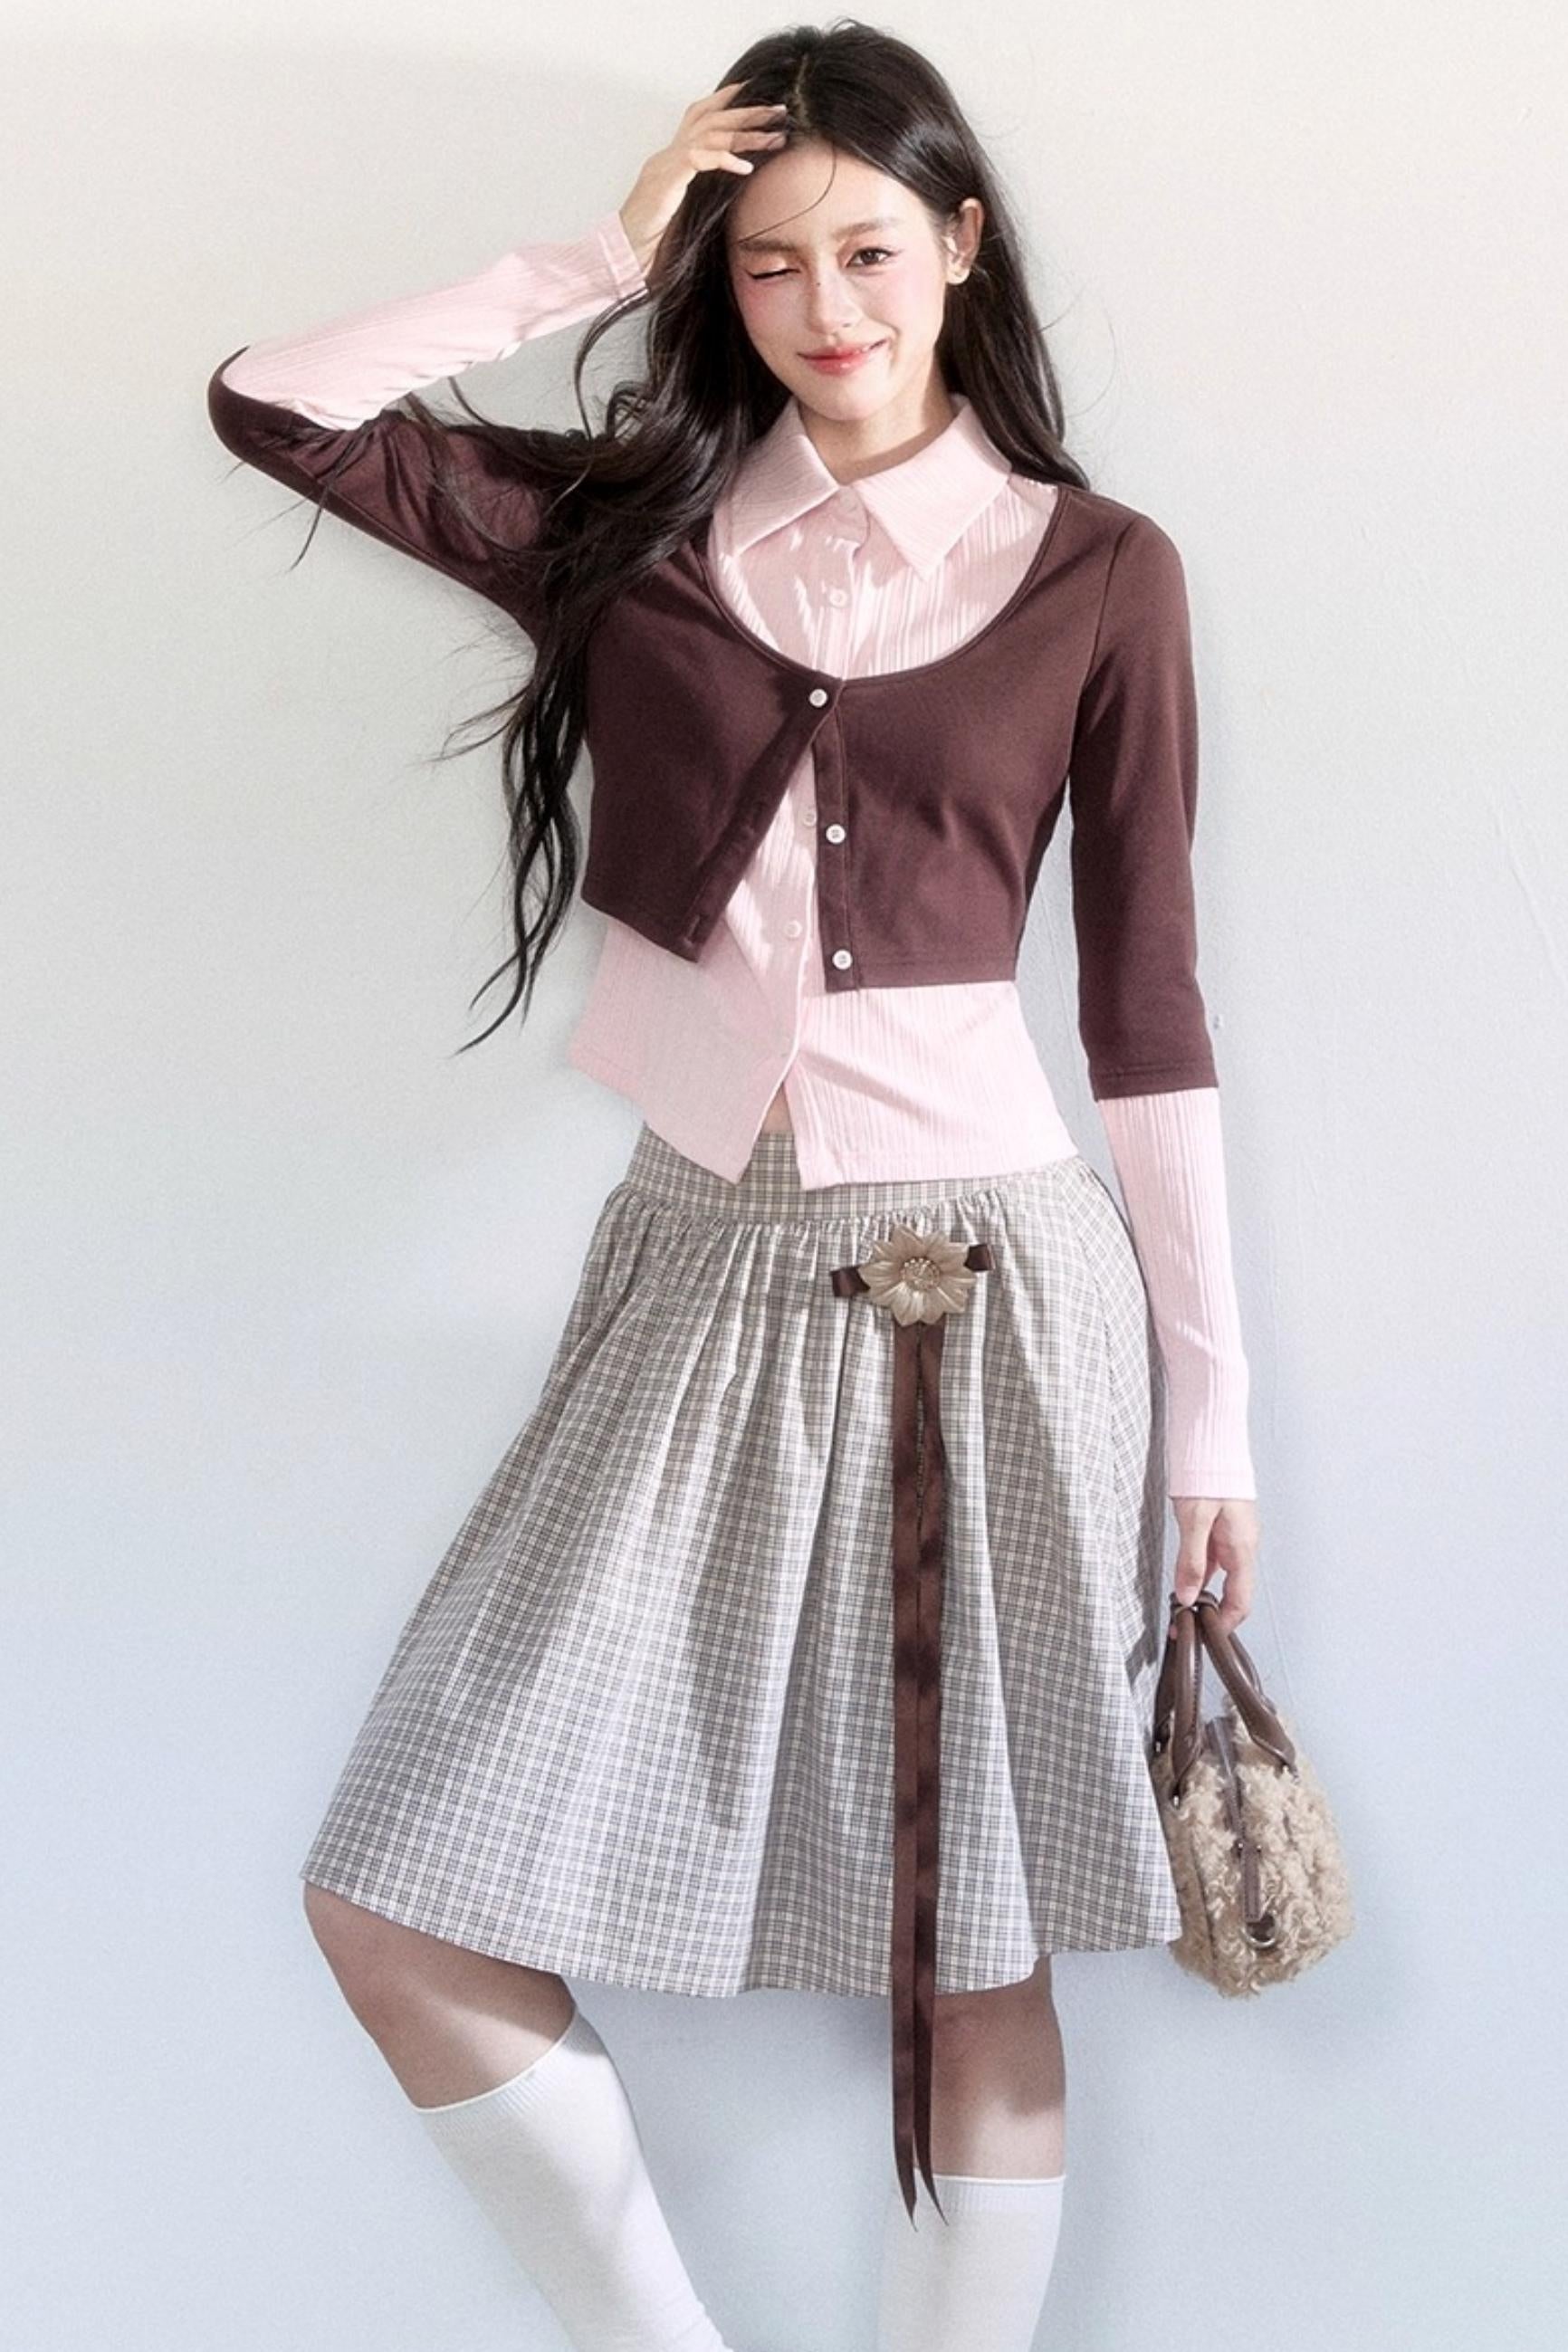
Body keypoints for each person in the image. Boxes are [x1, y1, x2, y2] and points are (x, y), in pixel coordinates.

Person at [206, 24, 1261, 2352]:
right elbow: (277, 405)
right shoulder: (627, 537)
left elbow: (1148, 1011)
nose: (823, 306)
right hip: (693, 1265)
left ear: (959, 246)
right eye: (765, 263)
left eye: (867, 249)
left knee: (960, 1940)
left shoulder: (1100, 574)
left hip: (999, 1288)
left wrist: (1213, 1419)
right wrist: (594, 252)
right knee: (399, 1894)